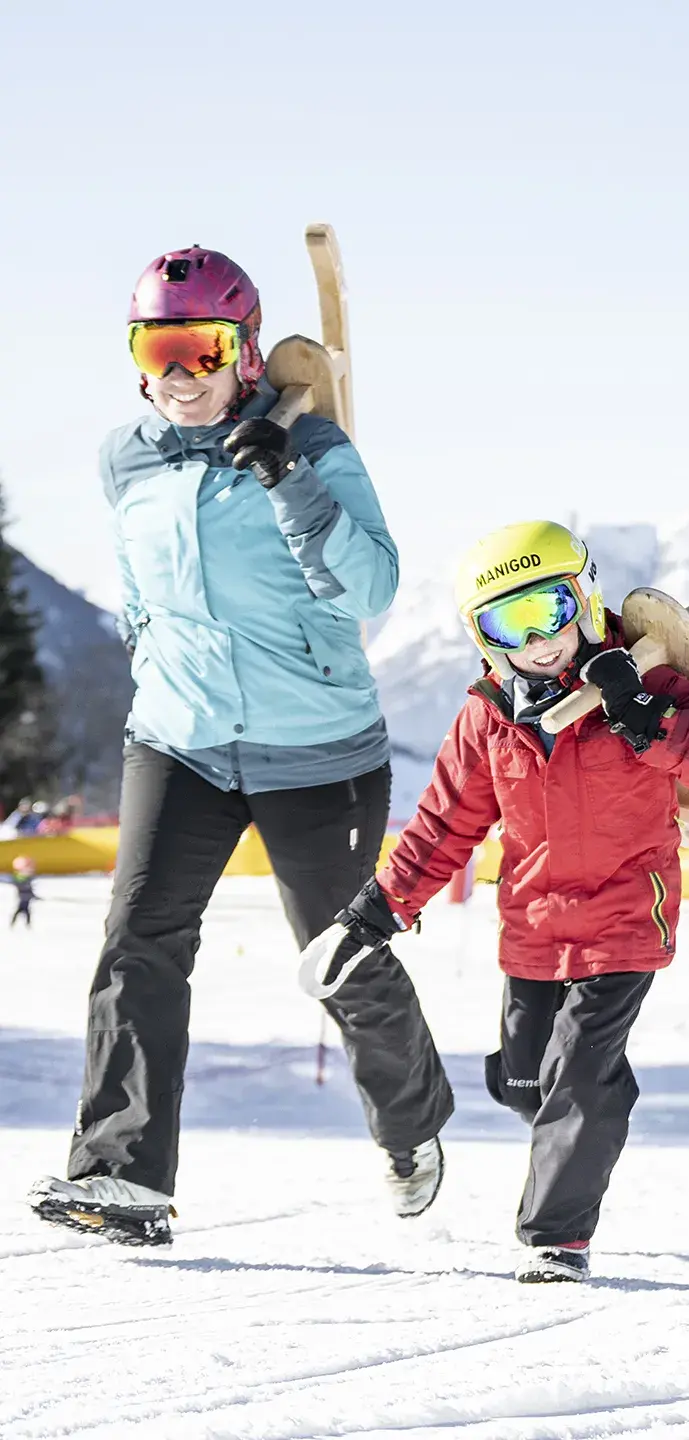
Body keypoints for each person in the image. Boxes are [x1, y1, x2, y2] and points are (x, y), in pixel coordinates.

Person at [28, 245, 453, 1247]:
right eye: (156, 349)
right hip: (179, 740)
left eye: (201, 348)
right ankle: (122, 1176)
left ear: (243, 348)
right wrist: (152, 664)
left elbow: (372, 592)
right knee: (139, 942)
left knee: (337, 957)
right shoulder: (122, 456)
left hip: (317, 751)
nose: (180, 374)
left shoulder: (317, 448)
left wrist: (291, 480)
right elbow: (136, 585)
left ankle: (411, 1121)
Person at [320, 521, 689, 1283]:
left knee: (580, 1079)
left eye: (550, 610)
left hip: (626, 917)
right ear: (483, 638)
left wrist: (651, 722)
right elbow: (446, 822)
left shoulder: (645, 683)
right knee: (525, 1083)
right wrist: (380, 909)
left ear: (583, 597)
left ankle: (556, 1237)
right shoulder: (489, 716)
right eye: (510, 624)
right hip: (533, 926)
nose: (541, 639)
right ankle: (583, 1098)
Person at [10, 856, 37, 928]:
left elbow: (29, 890)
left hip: (25, 898)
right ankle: (24, 925)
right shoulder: (22, 881)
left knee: (24, 911)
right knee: (23, 911)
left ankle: (16, 924)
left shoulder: (25, 882)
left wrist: (33, 896)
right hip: (24, 898)